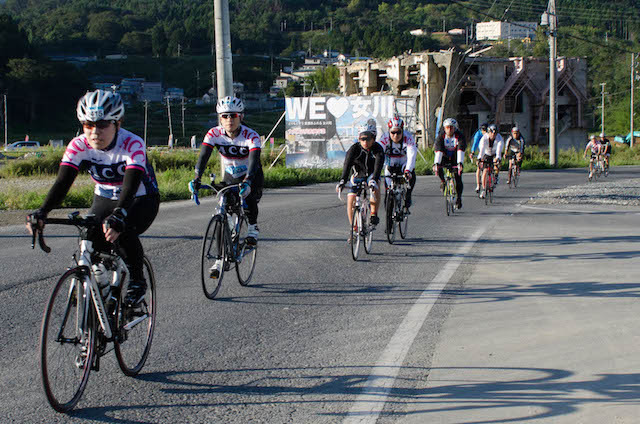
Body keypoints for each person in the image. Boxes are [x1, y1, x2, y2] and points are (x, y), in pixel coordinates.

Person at [26, 89, 160, 306]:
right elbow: (62, 182)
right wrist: (43, 211)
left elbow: (131, 184)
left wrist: (120, 214)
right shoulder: (79, 145)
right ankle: (101, 285)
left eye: (102, 125)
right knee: (89, 237)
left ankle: (137, 281)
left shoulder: (132, 144)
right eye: (88, 125)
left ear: (118, 123)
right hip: (104, 196)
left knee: (121, 231)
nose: (94, 132)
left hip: (140, 198)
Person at [191, 96, 262, 275]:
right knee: (223, 215)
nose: (229, 120)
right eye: (224, 116)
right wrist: (197, 178)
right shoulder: (214, 134)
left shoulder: (250, 135)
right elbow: (203, 156)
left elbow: (254, 161)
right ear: (219, 118)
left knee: (248, 196)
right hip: (230, 176)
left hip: (251, 174)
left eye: (233, 116)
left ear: (241, 117)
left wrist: (248, 182)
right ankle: (219, 260)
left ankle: (252, 229)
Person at [336, 121, 385, 239]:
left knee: (376, 186)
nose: (365, 142)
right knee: (351, 200)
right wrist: (342, 181)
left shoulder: (378, 149)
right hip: (357, 175)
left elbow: (378, 167)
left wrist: (375, 179)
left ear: (373, 138)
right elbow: (347, 166)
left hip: (371, 175)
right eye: (362, 139)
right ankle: (354, 229)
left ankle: (373, 214)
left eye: (368, 139)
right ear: (359, 139)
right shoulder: (354, 149)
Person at [378, 116, 417, 212]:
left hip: (404, 163)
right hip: (390, 164)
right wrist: (377, 169)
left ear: (402, 131)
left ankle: (408, 195)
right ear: (389, 131)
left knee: (411, 175)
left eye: (398, 132)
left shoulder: (408, 138)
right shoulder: (384, 138)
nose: (396, 135)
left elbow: (412, 155)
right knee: (388, 192)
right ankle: (389, 219)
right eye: (393, 132)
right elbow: (379, 154)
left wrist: (408, 170)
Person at [433, 118, 466, 209]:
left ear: (455, 128)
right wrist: (436, 163)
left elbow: (460, 150)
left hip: (455, 157)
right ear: (444, 128)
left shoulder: (459, 136)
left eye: (451, 128)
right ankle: (443, 182)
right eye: (447, 128)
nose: (449, 130)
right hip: (445, 156)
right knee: (438, 167)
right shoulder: (441, 137)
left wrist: (460, 163)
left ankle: (459, 198)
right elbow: (438, 151)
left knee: (458, 177)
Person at [477, 124, 504, 199]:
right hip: (486, 153)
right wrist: (480, 158)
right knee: (485, 171)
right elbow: (481, 149)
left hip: (495, 153)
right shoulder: (484, 138)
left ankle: (496, 175)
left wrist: (498, 158)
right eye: (491, 133)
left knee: (496, 162)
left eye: (495, 133)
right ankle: (483, 189)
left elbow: (499, 149)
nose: (493, 135)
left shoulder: (499, 138)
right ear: (488, 133)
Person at [469, 122, 487, 193]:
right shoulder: (478, 134)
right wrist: (473, 152)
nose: (484, 131)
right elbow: (475, 143)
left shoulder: (489, 134)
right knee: (479, 168)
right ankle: (478, 186)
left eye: (485, 130)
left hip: (488, 151)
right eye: (483, 130)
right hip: (481, 151)